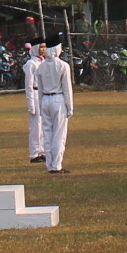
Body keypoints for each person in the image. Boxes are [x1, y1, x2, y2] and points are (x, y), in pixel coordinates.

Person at [32, 39, 74, 173]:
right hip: (58, 98)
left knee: (47, 134)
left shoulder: (41, 66)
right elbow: (67, 88)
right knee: (59, 134)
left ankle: (50, 164)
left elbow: (40, 88)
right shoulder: (62, 65)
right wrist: (70, 106)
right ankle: (56, 165)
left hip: (45, 99)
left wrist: (40, 104)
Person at [25, 36, 48, 164]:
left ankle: (43, 151)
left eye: (44, 47)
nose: (43, 49)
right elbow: (28, 85)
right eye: (41, 47)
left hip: (43, 93)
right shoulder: (30, 64)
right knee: (35, 126)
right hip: (34, 93)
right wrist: (30, 104)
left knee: (44, 124)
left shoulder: (43, 62)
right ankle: (34, 153)